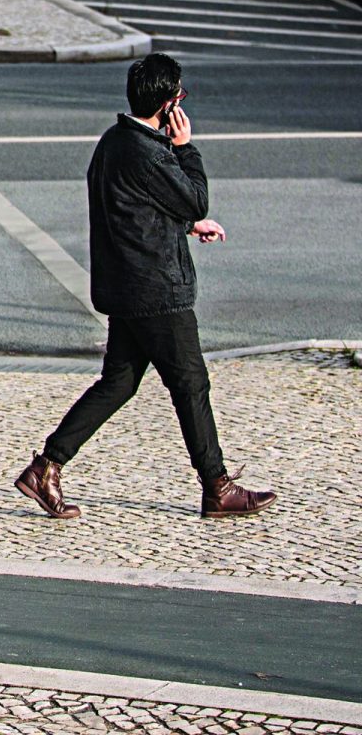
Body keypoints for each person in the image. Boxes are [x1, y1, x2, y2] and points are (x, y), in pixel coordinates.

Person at [14, 55, 278, 521]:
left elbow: (136, 208)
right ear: (168, 103)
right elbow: (194, 195)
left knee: (118, 383)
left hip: (126, 286)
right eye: (180, 96)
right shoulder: (153, 151)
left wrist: (187, 225)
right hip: (157, 290)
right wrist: (186, 147)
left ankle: (45, 468)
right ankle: (217, 488)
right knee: (191, 383)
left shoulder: (114, 142)